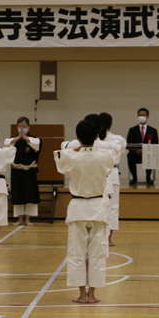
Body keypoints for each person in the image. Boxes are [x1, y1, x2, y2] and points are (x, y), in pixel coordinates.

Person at [54, 120, 115, 304]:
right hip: (98, 207)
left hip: (78, 208)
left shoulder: (72, 157)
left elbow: (59, 156)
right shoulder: (105, 156)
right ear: (97, 136)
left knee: (77, 252)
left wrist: (77, 148)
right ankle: (92, 295)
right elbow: (110, 165)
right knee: (96, 253)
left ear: (77, 137)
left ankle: (82, 294)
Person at [6, 116, 41, 225]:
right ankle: (20, 219)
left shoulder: (35, 139)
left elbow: (36, 146)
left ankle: (28, 219)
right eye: (20, 126)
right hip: (17, 171)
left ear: (29, 127)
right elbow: (7, 144)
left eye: (24, 126)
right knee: (18, 194)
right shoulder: (12, 139)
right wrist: (18, 137)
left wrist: (25, 137)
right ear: (16, 127)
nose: (22, 128)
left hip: (29, 171)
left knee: (30, 195)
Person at [101, 112, 127, 246]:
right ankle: (108, 239)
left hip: (98, 172)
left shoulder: (95, 140)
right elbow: (122, 150)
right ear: (111, 124)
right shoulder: (119, 139)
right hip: (112, 172)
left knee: (100, 204)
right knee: (113, 207)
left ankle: (100, 237)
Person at [126, 108, 158, 185]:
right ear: (137, 116)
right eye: (140, 115)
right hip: (135, 153)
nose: (142, 116)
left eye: (144, 115)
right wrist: (136, 150)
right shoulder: (132, 130)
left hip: (148, 153)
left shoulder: (153, 130)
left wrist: (145, 150)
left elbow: (156, 144)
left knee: (150, 155)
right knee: (130, 155)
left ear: (147, 116)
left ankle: (148, 177)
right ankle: (134, 177)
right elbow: (128, 143)